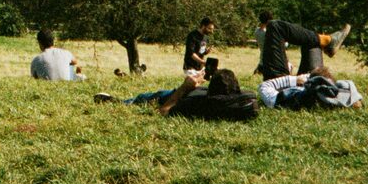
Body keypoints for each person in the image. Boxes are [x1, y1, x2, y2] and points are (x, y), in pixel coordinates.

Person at [96, 68, 259, 121]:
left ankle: (116, 102)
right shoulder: (244, 101)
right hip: (195, 91)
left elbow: (163, 112)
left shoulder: (198, 105)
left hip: (175, 96)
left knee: (142, 98)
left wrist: (184, 88)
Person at [256, 12, 351, 80]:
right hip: (296, 83)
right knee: (275, 26)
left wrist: (294, 81)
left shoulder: (258, 32)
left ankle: (327, 41)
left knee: (307, 40)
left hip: (281, 83)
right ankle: (328, 41)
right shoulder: (314, 91)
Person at [257, 70, 364, 110]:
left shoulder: (280, 100)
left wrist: (294, 79)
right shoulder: (342, 93)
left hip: (294, 90)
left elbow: (264, 86)